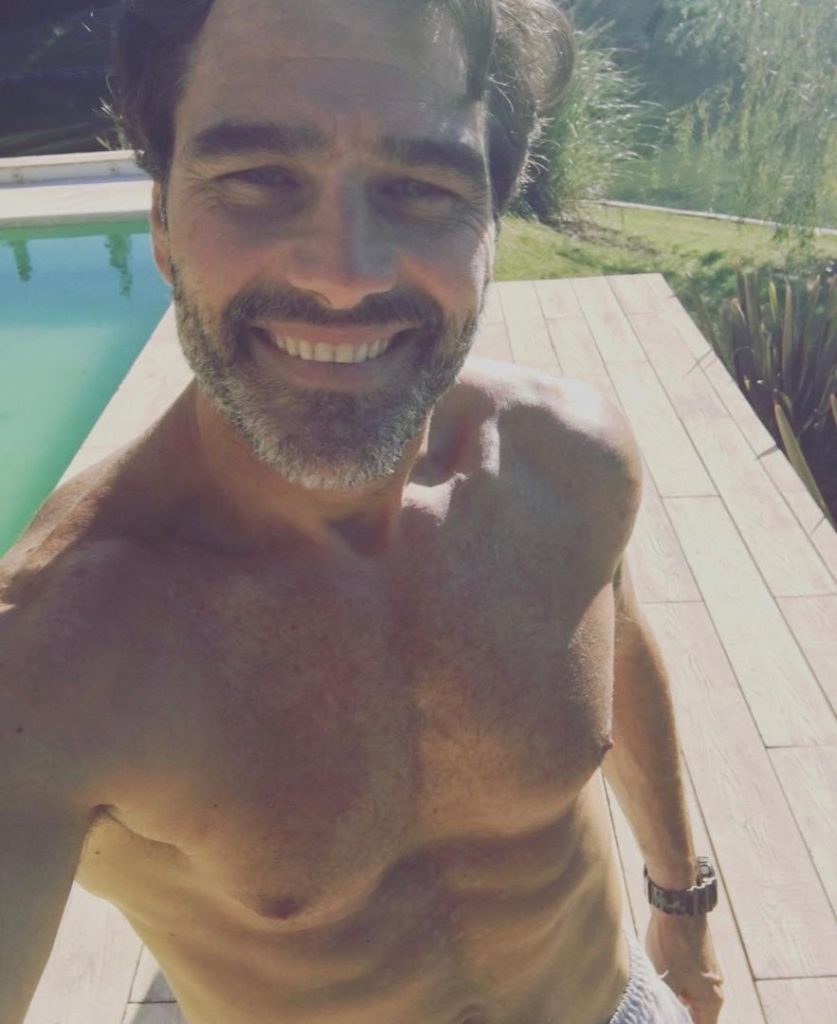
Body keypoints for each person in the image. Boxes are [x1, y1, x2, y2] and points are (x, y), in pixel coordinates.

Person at [0, 1, 724, 1022]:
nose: (343, 275)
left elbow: (622, 650)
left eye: (421, 187)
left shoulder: (570, 468)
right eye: (258, 177)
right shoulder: (48, 657)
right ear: (160, 224)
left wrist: (681, 897)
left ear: (490, 226)